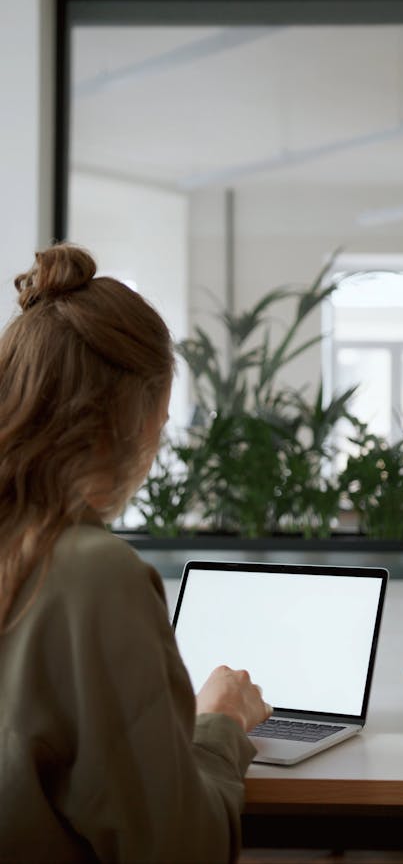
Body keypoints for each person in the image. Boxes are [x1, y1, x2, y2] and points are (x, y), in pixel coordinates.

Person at [0, 243, 272, 864]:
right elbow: (179, 850)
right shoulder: (93, 576)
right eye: (164, 416)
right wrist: (221, 725)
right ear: (134, 418)